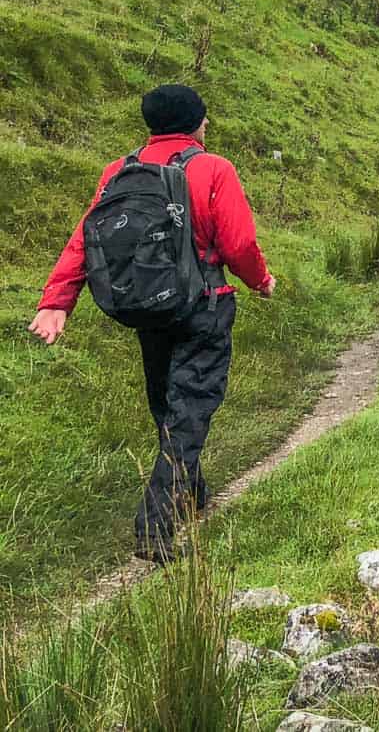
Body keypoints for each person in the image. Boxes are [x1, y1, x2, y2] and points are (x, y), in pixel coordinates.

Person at [28, 84, 275, 563]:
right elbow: (240, 243)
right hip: (203, 305)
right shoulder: (212, 168)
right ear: (198, 123)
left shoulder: (119, 171)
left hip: (149, 307)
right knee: (191, 408)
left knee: (169, 404)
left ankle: (195, 493)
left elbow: (87, 239)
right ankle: (156, 526)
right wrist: (260, 280)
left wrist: (57, 300)